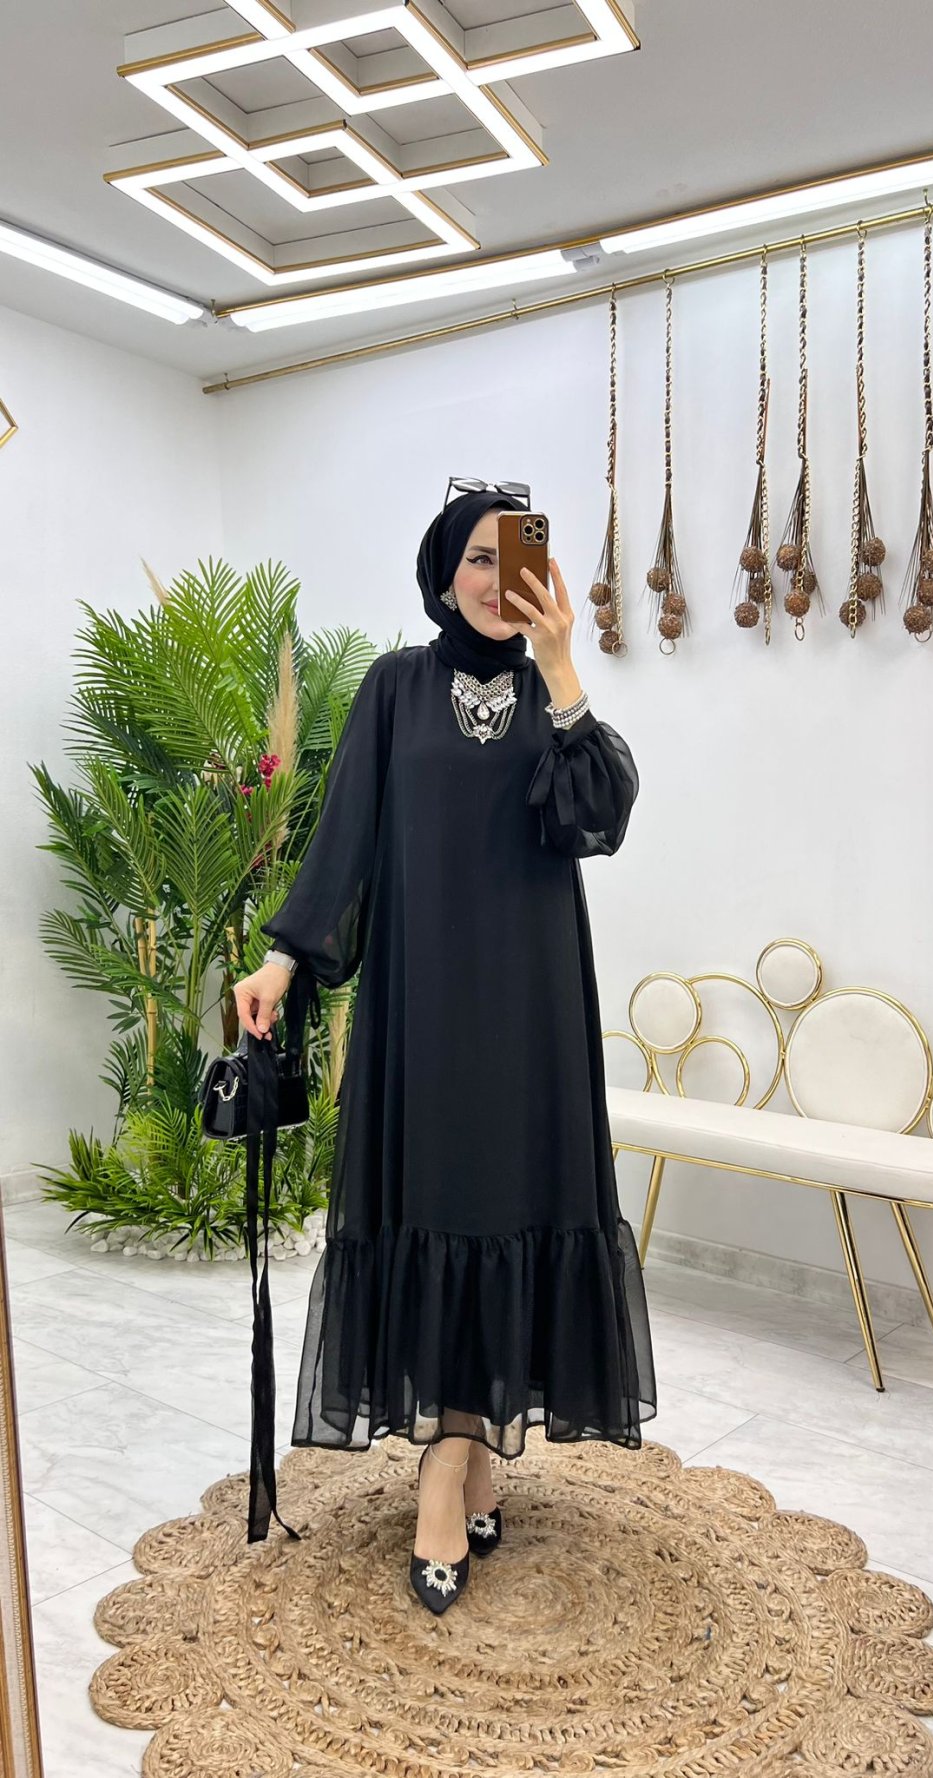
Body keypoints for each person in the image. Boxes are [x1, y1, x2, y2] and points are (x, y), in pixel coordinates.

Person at [233, 483, 657, 1614]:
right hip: (422, 1008)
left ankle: (446, 1472)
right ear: (442, 570)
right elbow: (345, 838)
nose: (494, 580)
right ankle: (463, 1464)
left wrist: (564, 673)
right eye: (477, 557)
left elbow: (597, 818)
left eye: (515, 559)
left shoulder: (549, 698)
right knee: (442, 1208)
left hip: (530, 1009)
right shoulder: (395, 687)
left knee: (505, 1209)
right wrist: (283, 961)